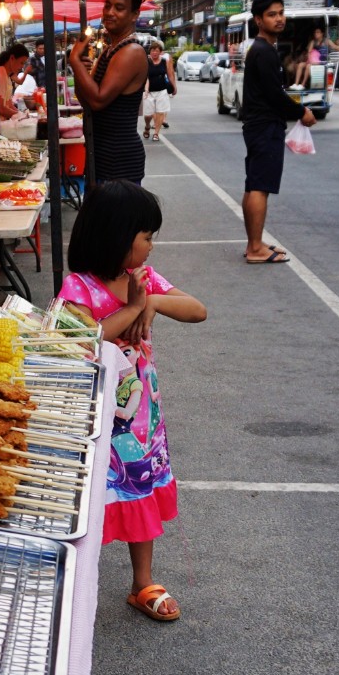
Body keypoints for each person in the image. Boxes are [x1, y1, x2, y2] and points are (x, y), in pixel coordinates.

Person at [58, 181, 207, 621]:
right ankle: (74, 581)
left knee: (139, 485)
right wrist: (134, 308)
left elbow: (199, 310)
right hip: (92, 415)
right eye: (146, 237)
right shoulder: (78, 288)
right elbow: (87, 337)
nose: (150, 246)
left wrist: (154, 301)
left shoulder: (143, 280)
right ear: (117, 236)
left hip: (140, 418)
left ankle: (142, 581)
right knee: (88, 498)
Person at [239, 0, 316, 264]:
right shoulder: (263, 51)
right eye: (272, 14)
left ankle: (254, 243)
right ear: (259, 20)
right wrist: (302, 112)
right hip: (265, 126)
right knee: (260, 186)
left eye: (281, 13)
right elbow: (275, 96)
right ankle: (255, 248)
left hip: (257, 126)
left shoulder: (263, 49)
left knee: (254, 185)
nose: (279, 18)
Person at [68, 0, 151, 181]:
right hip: (103, 155)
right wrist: (81, 72)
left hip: (119, 159)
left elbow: (98, 100)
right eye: (108, 5)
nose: (110, 12)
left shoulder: (131, 51)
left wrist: (75, 62)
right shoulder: (109, 51)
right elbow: (85, 98)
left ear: (134, 15)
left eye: (119, 8)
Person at [142, 38, 176, 141]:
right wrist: (146, 90)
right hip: (149, 91)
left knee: (161, 112)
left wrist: (174, 87)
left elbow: (170, 75)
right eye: (153, 50)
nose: (155, 53)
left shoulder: (165, 61)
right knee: (148, 114)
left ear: (160, 52)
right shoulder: (146, 61)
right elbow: (146, 77)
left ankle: (156, 133)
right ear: (150, 51)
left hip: (162, 90)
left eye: (157, 51)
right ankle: (147, 126)